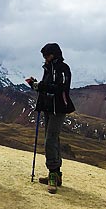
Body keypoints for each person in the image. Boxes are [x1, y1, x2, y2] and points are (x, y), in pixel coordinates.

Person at [27, 43, 75, 194]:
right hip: (49, 107)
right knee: (53, 139)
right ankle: (56, 174)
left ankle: (53, 174)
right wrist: (37, 85)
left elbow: (60, 88)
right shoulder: (49, 68)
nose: (45, 59)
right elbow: (48, 87)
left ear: (54, 54)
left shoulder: (62, 68)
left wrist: (39, 86)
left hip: (58, 108)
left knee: (50, 140)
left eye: (47, 55)